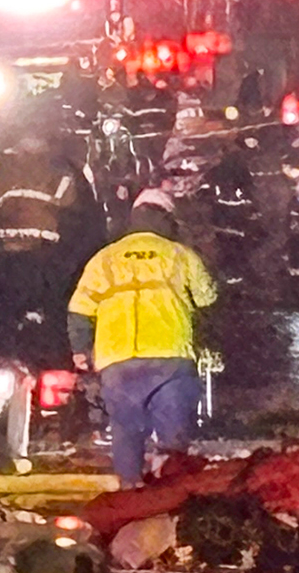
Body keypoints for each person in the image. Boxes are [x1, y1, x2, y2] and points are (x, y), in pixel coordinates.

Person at [67, 187, 220, 486]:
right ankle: (169, 496)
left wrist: (81, 349)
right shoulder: (180, 255)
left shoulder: (104, 258)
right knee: (173, 440)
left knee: (126, 431)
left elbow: (79, 307)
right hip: (170, 357)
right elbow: (208, 301)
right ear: (168, 219)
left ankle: (129, 495)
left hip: (117, 359)